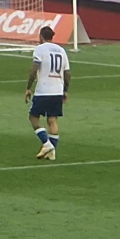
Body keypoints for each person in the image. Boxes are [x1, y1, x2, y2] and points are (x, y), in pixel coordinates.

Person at [26, 25, 71, 161]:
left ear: (41, 36)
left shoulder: (40, 49)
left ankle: (46, 144)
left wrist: (28, 87)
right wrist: (65, 91)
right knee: (52, 120)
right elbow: (67, 73)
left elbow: (34, 69)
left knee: (33, 118)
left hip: (44, 90)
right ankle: (52, 153)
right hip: (57, 90)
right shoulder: (61, 50)